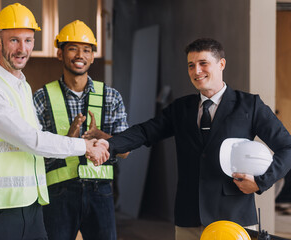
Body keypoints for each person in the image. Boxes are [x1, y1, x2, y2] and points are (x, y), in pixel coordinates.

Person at [106, 38, 291, 240]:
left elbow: (287, 147)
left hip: (233, 218)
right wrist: (108, 144)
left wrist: (261, 182)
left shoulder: (249, 105)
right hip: (189, 219)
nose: (196, 71)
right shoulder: (180, 108)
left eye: (203, 63)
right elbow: (144, 131)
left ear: (221, 64)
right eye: (191, 65)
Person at [0, 4, 109, 240]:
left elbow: (35, 144)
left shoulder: (22, 87)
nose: (22, 49)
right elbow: (30, 140)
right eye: (14, 41)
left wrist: (74, 141)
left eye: (28, 40)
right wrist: (84, 147)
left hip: (31, 205)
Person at [33, 20, 128, 240]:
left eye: (86, 50)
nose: (80, 55)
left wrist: (100, 136)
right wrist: (68, 140)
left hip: (101, 193)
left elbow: (125, 150)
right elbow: (33, 150)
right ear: (60, 54)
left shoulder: (111, 97)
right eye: (73, 48)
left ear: (93, 56)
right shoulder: (42, 98)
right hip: (58, 194)